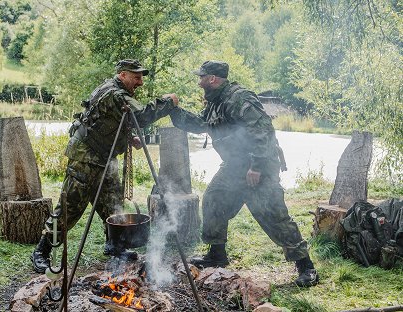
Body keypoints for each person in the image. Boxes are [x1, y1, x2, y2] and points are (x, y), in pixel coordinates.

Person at [169, 60, 319, 287]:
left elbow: (263, 131)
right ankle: (217, 255)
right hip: (235, 165)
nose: (199, 82)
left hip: (259, 165)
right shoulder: (215, 101)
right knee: (214, 199)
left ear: (212, 79)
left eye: (201, 78)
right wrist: (173, 111)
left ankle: (306, 267)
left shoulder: (238, 97)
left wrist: (256, 167)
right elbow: (201, 123)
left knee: (273, 215)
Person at [31, 59, 179, 273]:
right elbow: (141, 115)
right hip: (86, 158)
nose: (140, 82)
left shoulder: (116, 92)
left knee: (113, 205)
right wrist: (168, 102)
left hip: (106, 158)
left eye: (141, 77)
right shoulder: (114, 94)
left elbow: (108, 123)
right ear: (122, 75)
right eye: (136, 77)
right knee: (70, 208)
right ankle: (41, 252)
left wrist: (129, 138)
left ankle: (115, 246)